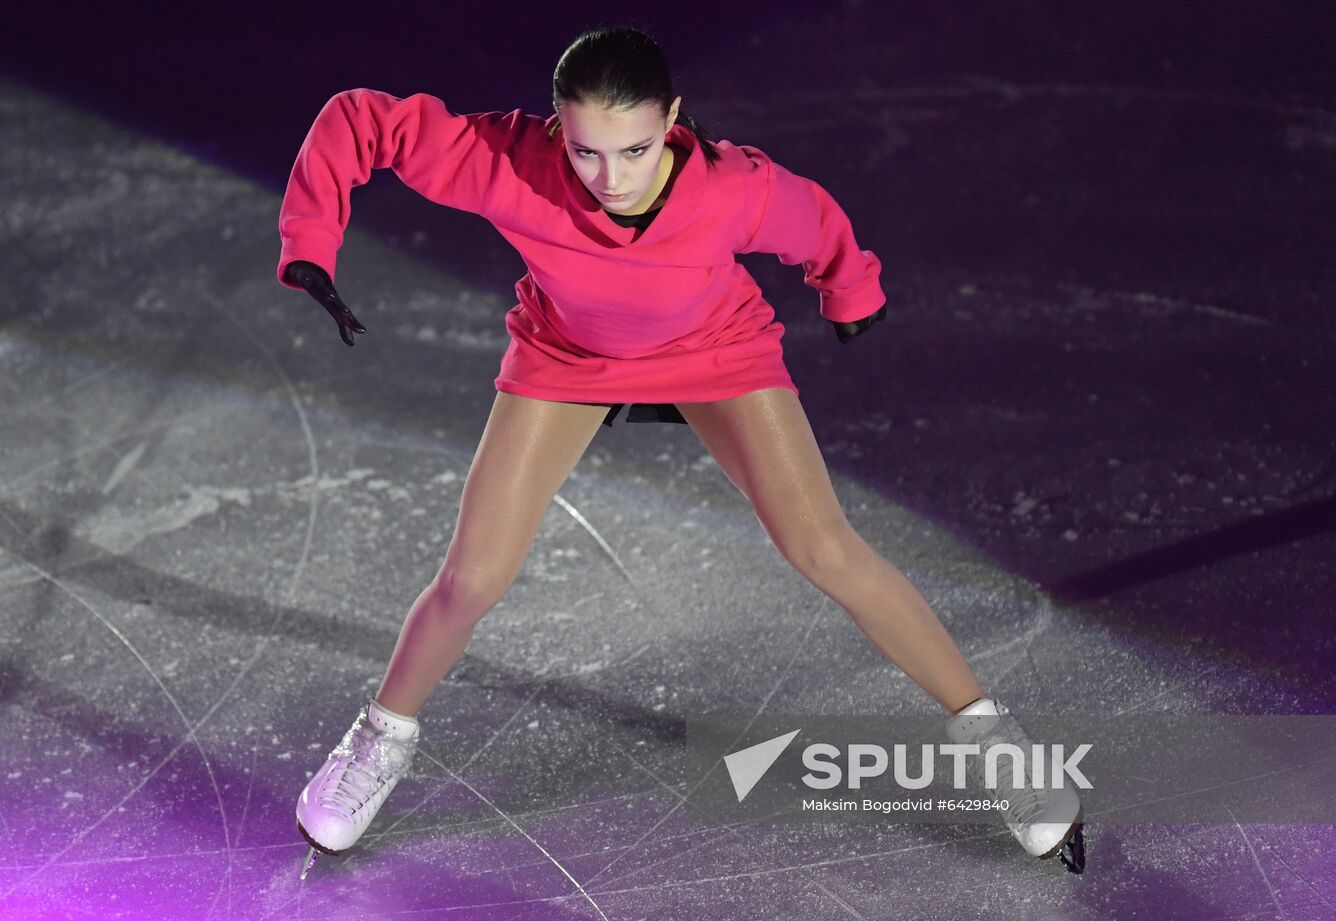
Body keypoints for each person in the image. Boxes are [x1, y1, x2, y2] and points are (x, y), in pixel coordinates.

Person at [277, 25, 1084, 879]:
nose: (610, 178)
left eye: (633, 149)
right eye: (586, 151)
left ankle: (1000, 749)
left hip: (715, 351)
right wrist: (309, 243)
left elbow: (815, 219)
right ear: (557, 125)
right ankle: (378, 742)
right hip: (569, 358)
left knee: (823, 546)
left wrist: (851, 287)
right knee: (472, 578)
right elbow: (361, 120)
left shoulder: (731, 189)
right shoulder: (509, 162)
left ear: (672, 119)